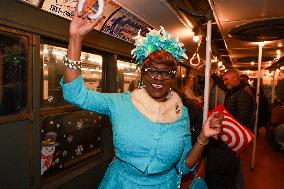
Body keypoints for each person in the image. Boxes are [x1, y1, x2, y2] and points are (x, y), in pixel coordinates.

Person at [60, 6, 223, 189]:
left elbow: (185, 167)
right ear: (142, 74)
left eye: (166, 72)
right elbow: (75, 94)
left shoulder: (181, 113)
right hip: (120, 183)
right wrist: (75, 38)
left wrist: (204, 136)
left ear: (173, 77)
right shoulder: (120, 103)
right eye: (152, 70)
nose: (158, 78)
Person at [210, 70, 255, 189]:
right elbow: (221, 84)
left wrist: (225, 123)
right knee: (234, 164)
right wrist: (213, 75)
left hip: (235, 135)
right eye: (223, 80)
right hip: (232, 134)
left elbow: (242, 120)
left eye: (226, 80)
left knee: (235, 164)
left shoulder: (242, 94)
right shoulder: (234, 91)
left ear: (235, 78)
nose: (224, 83)